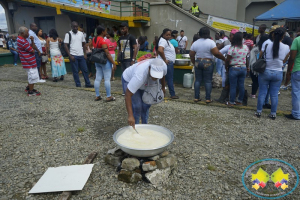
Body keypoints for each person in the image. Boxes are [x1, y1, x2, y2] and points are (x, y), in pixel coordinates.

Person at [255, 28, 290, 120]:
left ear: (273, 35)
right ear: (283, 36)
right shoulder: (286, 47)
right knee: (274, 94)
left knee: (262, 92)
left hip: (265, 71)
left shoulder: (266, 43)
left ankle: (259, 112)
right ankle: (273, 113)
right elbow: (284, 60)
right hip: (278, 72)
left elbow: (260, 55)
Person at [122, 58, 167, 127]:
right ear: (149, 68)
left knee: (146, 105)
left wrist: (163, 87)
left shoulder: (163, 66)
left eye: (157, 76)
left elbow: (163, 76)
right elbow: (128, 95)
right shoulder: (140, 75)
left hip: (144, 82)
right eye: (154, 75)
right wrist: (130, 116)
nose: (155, 78)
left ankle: (144, 126)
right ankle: (135, 127)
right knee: (137, 106)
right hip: (129, 79)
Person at [190, 27, 225, 103]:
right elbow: (216, 53)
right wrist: (223, 59)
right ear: (208, 34)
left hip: (198, 62)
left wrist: (194, 62)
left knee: (197, 80)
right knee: (208, 81)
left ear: (200, 33)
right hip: (208, 62)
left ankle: (196, 97)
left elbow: (191, 54)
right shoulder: (211, 42)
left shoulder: (195, 43)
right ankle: (208, 98)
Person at [64, 21, 94, 88]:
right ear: (71, 27)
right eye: (74, 26)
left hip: (81, 55)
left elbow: (84, 44)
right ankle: (78, 84)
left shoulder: (81, 34)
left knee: (85, 70)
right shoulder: (68, 34)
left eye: (76, 26)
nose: (75, 28)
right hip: (73, 55)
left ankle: (87, 83)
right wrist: (70, 56)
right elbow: (65, 45)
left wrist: (85, 54)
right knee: (75, 71)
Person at [93, 25, 116, 102]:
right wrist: (113, 63)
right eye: (105, 31)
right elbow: (107, 53)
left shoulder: (94, 39)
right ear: (102, 32)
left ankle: (97, 95)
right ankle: (108, 96)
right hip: (104, 61)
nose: (106, 32)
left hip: (97, 61)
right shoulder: (103, 41)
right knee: (107, 79)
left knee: (98, 78)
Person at [225, 32, 249, 107]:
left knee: (233, 86)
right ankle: (239, 101)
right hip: (243, 68)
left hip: (234, 68)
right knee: (241, 85)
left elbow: (227, 60)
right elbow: (246, 58)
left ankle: (231, 102)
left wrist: (226, 68)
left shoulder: (232, 48)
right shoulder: (245, 47)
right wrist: (247, 67)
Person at [17, 26, 41, 96]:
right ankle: (30, 91)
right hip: (28, 61)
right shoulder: (22, 41)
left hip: (29, 61)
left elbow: (32, 47)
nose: (28, 34)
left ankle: (29, 87)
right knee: (32, 76)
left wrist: (32, 41)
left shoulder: (23, 39)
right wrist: (32, 45)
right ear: (22, 33)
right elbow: (32, 50)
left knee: (32, 75)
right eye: (27, 32)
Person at [157, 28, 179, 99]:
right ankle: (172, 94)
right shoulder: (163, 41)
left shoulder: (167, 41)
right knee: (169, 79)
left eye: (169, 35)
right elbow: (160, 50)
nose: (169, 36)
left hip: (167, 63)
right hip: (166, 63)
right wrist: (165, 60)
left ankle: (160, 93)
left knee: (163, 79)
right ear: (163, 35)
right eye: (167, 35)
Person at [285, 28, 300, 120]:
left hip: (298, 69)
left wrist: (289, 70)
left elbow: (292, 57)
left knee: (296, 92)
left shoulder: (297, 40)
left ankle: (296, 114)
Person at [249, 34, 269, 99]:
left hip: (254, 67)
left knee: (255, 81)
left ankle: (253, 94)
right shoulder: (268, 49)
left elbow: (251, 58)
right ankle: (263, 95)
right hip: (263, 67)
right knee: (263, 83)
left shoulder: (255, 48)